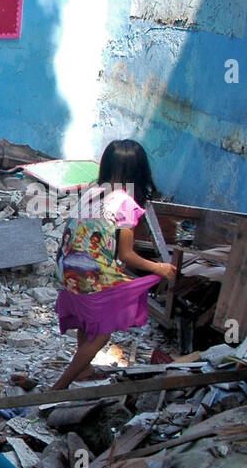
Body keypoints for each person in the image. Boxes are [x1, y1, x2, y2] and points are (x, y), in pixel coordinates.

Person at [50, 140, 177, 390]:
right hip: (89, 273)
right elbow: (127, 256)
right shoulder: (126, 204)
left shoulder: (90, 192)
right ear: (141, 172)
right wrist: (159, 268)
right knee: (103, 329)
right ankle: (60, 386)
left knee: (89, 320)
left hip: (65, 268)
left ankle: (83, 370)